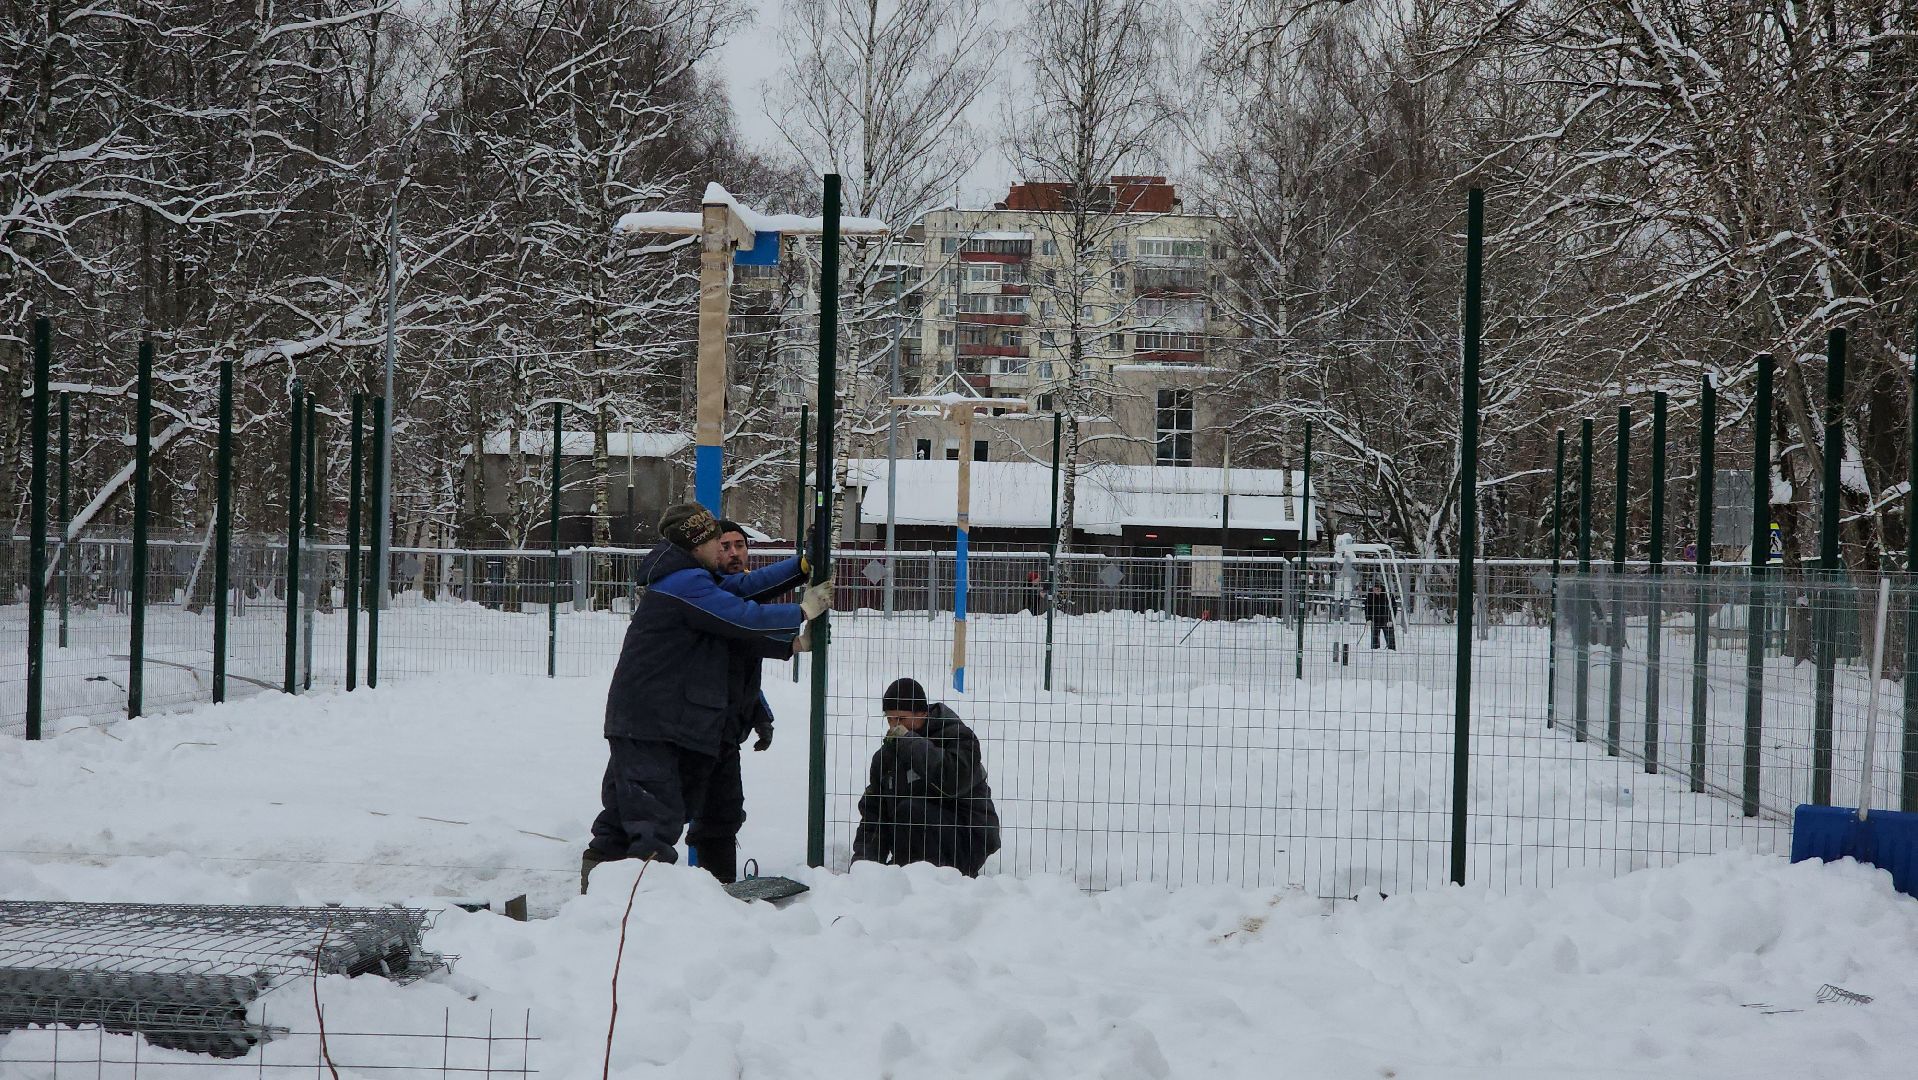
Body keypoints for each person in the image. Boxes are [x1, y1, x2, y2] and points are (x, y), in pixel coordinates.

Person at [582, 504, 832, 893]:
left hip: (651, 721)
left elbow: (744, 588)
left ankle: (602, 900)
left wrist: (800, 568)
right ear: (697, 544)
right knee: (653, 821)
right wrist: (802, 610)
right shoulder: (684, 584)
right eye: (718, 541)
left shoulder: (691, 578)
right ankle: (640, 905)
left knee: (624, 816)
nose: (725, 549)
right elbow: (740, 615)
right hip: (652, 724)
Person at [681, 519, 805, 884]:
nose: (734, 553)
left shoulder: (739, 595)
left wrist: (759, 713)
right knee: (689, 811)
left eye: (740, 545)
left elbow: (743, 662)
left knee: (724, 810)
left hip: (726, 727)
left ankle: (718, 886)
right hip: (698, 726)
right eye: (725, 546)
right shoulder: (711, 593)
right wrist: (802, 579)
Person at [851, 678, 1001, 877]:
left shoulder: (958, 738)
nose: (894, 726)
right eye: (890, 719)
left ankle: (931, 879)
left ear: (923, 713)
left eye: (901, 719)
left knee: (911, 810)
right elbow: (874, 815)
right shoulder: (885, 758)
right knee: (905, 811)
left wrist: (909, 743)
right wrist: (863, 868)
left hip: (967, 841)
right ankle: (907, 874)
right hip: (915, 846)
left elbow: (951, 780)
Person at [1364, 581, 1396, 651]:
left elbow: (1394, 608)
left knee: (1390, 638)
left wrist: (1391, 620)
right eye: (1375, 589)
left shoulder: (1388, 595)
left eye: (1378, 589)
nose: (1376, 591)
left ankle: (1391, 650)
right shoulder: (1370, 595)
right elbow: (1367, 608)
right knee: (1374, 638)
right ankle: (1374, 650)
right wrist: (1368, 619)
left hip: (1386, 619)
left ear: (1381, 589)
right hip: (1375, 620)